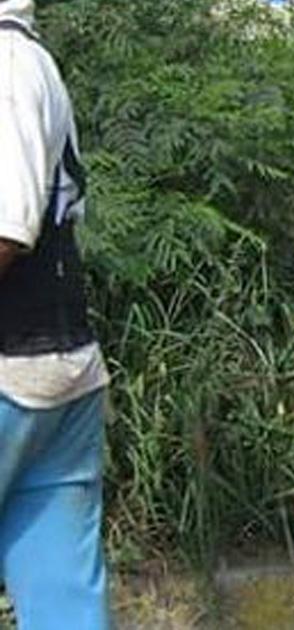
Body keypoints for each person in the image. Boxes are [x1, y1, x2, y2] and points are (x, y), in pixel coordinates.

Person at [0, 0, 110, 627]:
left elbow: (7, 228)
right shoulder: (30, 59)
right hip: (56, 377)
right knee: (63, 604)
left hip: (14, 368)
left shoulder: (6, 61)